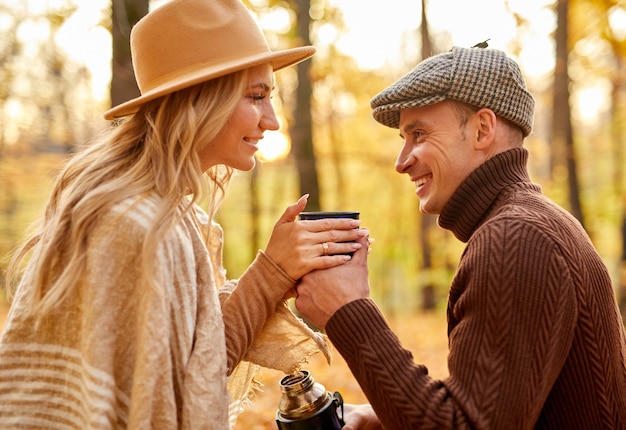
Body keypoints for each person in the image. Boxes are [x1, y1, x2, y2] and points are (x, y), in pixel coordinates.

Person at [0, 0, 367, 428]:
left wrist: (276, 272)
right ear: (199, 99)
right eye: (256, 96)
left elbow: (191, 367)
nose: (272, 121)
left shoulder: (172, 216)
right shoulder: (132, 223)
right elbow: (165, 399)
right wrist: (270, 271)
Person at [295, 45, 626, 429]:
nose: (401, 161)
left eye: (418, 134)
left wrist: (346, 309)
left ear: (482, 129)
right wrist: (386, 417)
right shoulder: (534, 223)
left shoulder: (516, 238)